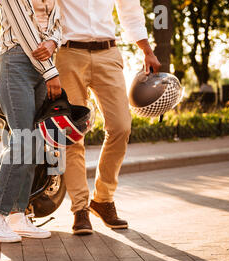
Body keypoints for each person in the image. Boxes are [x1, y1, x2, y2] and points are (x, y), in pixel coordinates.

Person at [51, 0, 162, 234]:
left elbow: (130, 12)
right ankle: (80, 209)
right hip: (68, 53)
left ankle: (103, 199)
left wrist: (147, 51)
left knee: (121, 126)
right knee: (73, 134)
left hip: (108, 54)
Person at [0, 0, 63, 242]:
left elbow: (58, 24)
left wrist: (53, 42)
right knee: (23, 140)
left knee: (36, 142)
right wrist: (50, 72)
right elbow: (24, 29)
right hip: (16, 62)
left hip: (42, 65)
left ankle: (18, 215)